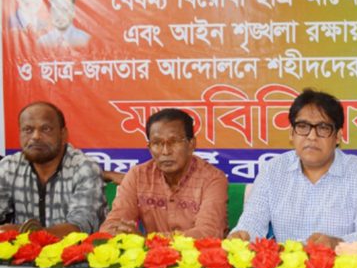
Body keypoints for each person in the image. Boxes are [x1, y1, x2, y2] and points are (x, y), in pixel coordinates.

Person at [229, 89, 357, 247]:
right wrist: (242, 235)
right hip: (285, 262)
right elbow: (251, 222)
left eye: (323, 128)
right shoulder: (272, 170)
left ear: (337, 136)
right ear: (292, 133)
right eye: (302, 127)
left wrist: (337, 244)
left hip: (339, 262)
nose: (311, 136)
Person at [100, 109, 227, 238]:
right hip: (149, 250)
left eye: (174, 141)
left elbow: (208, 233)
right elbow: (111, 225)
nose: (165, 151)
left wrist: (147, 241)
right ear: (150, 148)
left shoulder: (212, 179)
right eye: (157, 143)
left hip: (195, 252)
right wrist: (119, 231)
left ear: (191, 144)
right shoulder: (137, 175)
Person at [0, 102, 105, 237]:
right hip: (20, 250)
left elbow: (81, 227)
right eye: (28, 130)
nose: (35, 136)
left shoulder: (84, 168)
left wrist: (24, 232)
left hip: (74, 249)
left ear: (63, 134)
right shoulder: (9, 167)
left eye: (46, 129)